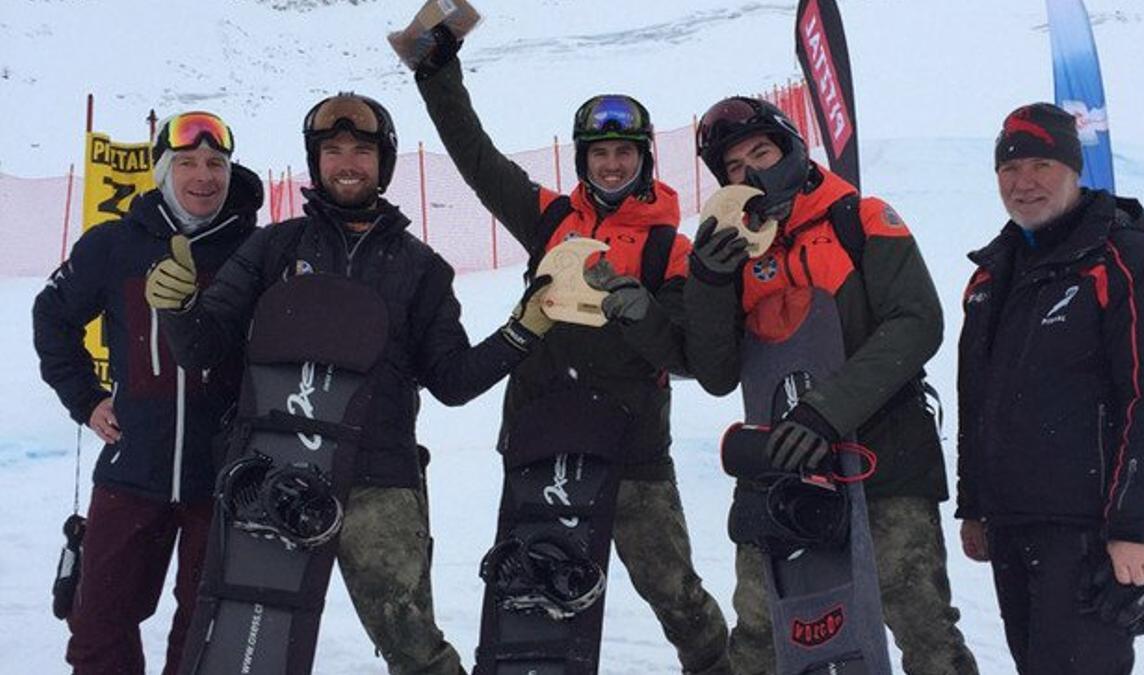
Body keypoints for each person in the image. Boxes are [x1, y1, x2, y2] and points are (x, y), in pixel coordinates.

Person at [147, 93, 554, 675]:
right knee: (246, 639)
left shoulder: (422, 268)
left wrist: (521, 332)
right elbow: (202, 348)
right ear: (315, 162)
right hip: (272, 471)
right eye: (332, 150)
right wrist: (180, 307)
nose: (346, 162)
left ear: (382, 163)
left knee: (413, 644)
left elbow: (452, 380)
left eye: (361, 150)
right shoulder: (272, 248)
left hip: (380, 478)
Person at [411, 29, 731, 674]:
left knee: (675, 595)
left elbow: (688, 358)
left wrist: (637, 309)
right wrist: (437, 76)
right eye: (599, 153)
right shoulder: (550, 217)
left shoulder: (672, 246)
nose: (611, 165)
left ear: (644, 158)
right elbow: (476, 159)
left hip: (631, 448)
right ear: (582, 160)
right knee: (527, 593)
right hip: (542, 435)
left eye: (623, 152)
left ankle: (719, 667)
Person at [687, 96, 978, 675]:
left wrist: (827, 410)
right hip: (782, 466)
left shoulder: (861, 218)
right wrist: (708, 280)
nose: (753, 173)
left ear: (792, 148)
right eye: (736, 168)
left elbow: (918, 322)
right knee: (762, 628)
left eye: (762, 152)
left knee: (918, 619)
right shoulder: (735, 250)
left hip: (883, 453)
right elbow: (716, 373)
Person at [956, 102, 1144, 675]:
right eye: (1009, 170)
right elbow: (976, 397)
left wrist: (1136, 527)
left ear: (1073, 169)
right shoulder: (992, 274)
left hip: (1089, 529)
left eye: (1041, 165)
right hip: (1012, 524)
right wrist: (976, 504)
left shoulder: (1126, 262)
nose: (1023, 183)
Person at [33, 111, 261, 675]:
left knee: (205, 632)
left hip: (222, 475)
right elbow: (53, 317)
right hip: (133, 466)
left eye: (216, 163)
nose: (204, 175)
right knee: (97, 625)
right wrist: (84, 398)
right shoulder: (113, 246)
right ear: (163, 171)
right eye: (187, 163)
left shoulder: (255, 250)